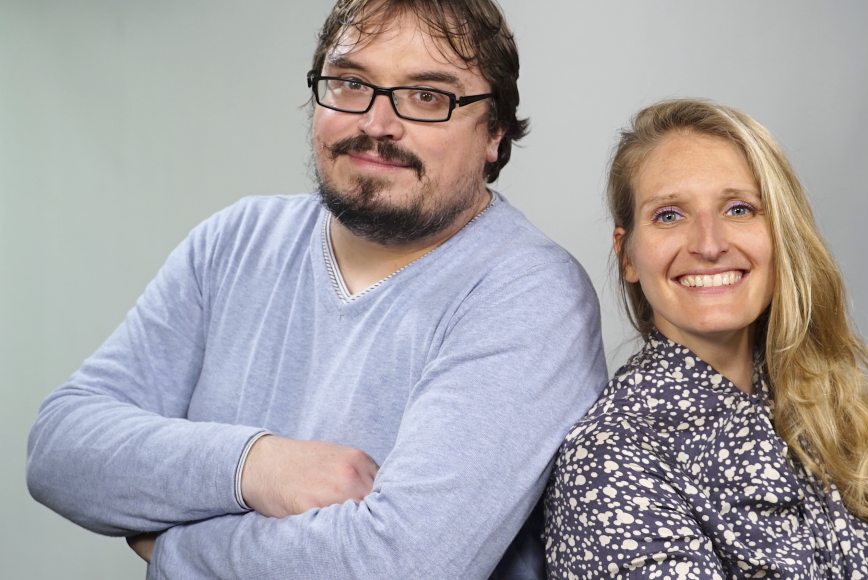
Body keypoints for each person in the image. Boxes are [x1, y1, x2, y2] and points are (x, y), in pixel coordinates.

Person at [26, 1, 607, 577]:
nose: (377, 124)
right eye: (351, 83)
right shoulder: (236, 240)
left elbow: (402, 565)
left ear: (494, 133)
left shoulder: (528, 292)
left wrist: (172, 549)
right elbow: (59, 451)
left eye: (428, 96)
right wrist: (256, 465)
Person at [543, 99, 868, 578]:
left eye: (739, 209)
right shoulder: (609, 460)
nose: (709, 245)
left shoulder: (837, 422)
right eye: (669, 215)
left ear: (780, 235)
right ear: (627, 255)